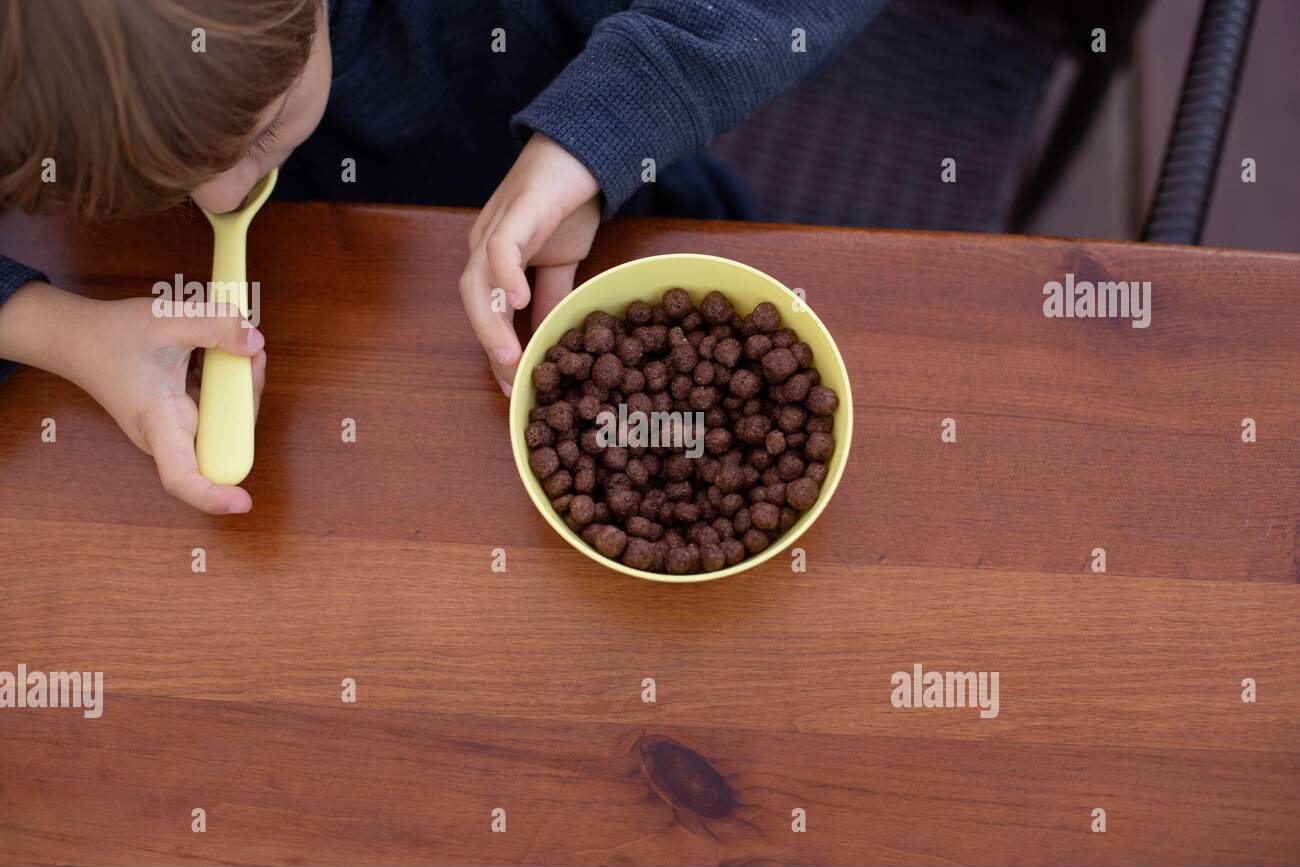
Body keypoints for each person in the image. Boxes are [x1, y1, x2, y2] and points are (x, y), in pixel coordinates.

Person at [0, 0, 880, 514]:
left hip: (621, 226)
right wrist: (51, 327)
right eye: (159, 183)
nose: (226, 199)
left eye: (265, 131)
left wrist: (601, 133)